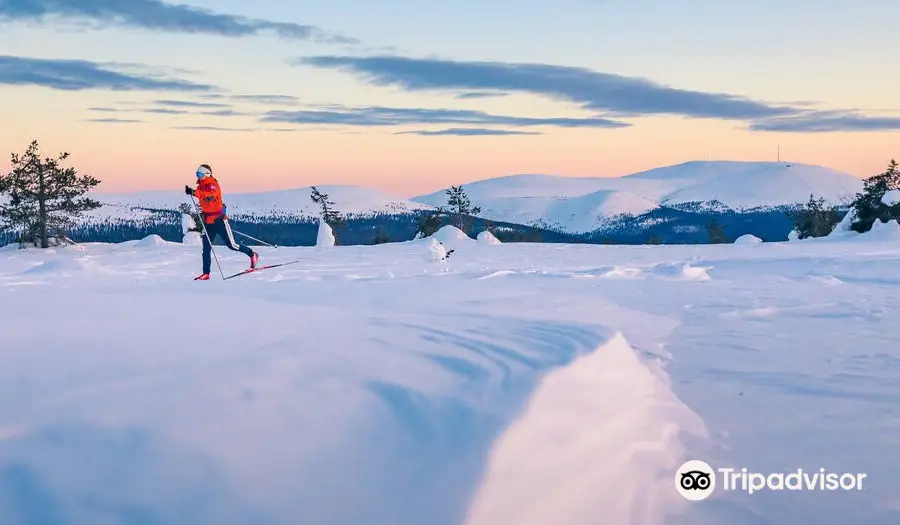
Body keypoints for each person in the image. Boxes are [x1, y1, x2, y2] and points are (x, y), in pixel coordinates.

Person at [185, 164, 258, 280]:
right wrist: (193, 192)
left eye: (200, 174)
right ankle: (206, 273)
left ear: (206, 174)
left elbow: (210, 196)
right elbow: (202, 197)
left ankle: (252, 254)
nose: (198, 177)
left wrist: (194, 193)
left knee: (232, 245)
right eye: (197, 174)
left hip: (219, 221)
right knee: (206, 249)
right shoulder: (200, 186)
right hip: (208, 222)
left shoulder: (214, 185)